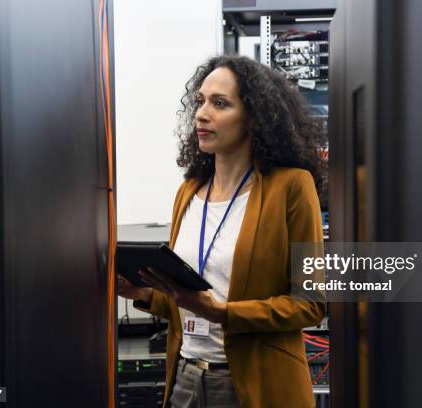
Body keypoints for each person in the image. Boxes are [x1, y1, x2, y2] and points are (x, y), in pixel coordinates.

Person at [117, 55, 326, 408]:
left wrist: (223, 312)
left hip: (253, 385)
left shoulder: (291, 186)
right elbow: (187, 303)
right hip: (185, 378)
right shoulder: (189, 191)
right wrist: (142, 292)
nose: (201, 113)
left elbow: (310, 305)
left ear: (253, 118)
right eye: (200, 101)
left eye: (220, 103)